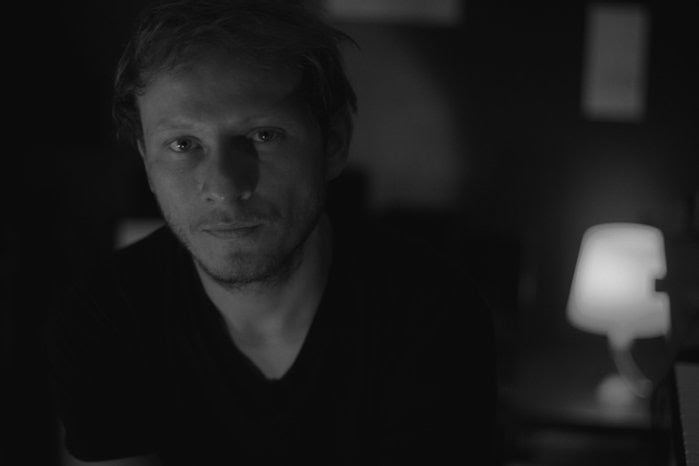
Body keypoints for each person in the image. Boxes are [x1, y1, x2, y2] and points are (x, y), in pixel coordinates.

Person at [44, 0, 498, 464]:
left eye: (264, 135)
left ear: (333, 142)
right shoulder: (103, 321)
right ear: (146, 160)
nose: (224, 188)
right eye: (183, 144)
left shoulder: (434, 315)